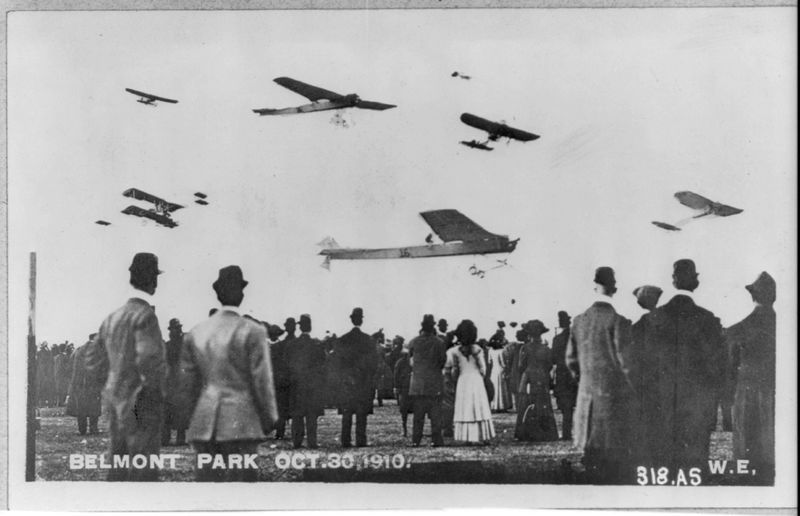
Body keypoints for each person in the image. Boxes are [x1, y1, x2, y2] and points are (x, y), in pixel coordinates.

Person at [178, 265, 278, 481]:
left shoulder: (196, 332)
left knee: (207, 493)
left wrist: (189, 418)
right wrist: (270, 417)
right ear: (241, 293)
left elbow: (186, 383)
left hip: (204, 423)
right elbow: (262, 380)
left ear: (217, 293)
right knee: (241, 494)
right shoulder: (253, 331)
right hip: (242, 423)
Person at [85, 252, 167, 481]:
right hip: (141, 405)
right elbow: (149, 360)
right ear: (151, 279)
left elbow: (92, 359)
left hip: (114, 403)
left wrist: (111, 386)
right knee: (143, 469)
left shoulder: (113, 317)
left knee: (118, 465)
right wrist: (152, 394)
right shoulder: (145, 315)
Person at [640, 259, 725, 472]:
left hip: (660, 408)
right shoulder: (709, 320)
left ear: (673, 281)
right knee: (695, 469)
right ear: (695, 281)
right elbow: (718, 367)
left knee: (662, 469)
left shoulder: (652, 319)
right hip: (697, 410)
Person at [566, 266, 636, 483]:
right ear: (615, 289)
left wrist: (584, 381)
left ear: (594, 286)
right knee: (611, 451)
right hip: (612, 398)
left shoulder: (578, 321)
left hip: (586, 395)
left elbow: (571, 360)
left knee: (591, 449)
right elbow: (627, 364)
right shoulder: (618, 321)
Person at [728, 271, 776, 483]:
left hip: (747, 395)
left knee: (746, 448)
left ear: (753, 296)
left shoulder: (739, 329)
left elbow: (729, 369)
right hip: (775, 394)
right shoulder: (784, 325)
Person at [332, 307, 378, 448]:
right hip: (363, 382)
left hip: (347, 381)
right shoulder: (368, 340)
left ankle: (345, 440)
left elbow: (337, 363)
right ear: (361, 320)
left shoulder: (342, 340)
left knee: (347, 413)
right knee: (361, 413)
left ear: (351, 319)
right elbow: (373, 363)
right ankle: (360, 440)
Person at [447, 320, 495, 445]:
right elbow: (483, 369)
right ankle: (483, 437)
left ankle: (467, 437)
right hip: (476, 380)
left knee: (465, 407)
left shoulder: (454, 351)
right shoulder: (478, 349)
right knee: (479, 407)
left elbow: (453, 371)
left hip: (463, 381)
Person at [285, 314, 326, 449]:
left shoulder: (292, 345)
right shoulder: (316, 344)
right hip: (312, 385)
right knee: (311, 414)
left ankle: (297, 442)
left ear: (299, 327)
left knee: (297, 414)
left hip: (297, 384)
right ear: (310, 326)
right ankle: (312, 442)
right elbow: (322, 366)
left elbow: (287, 365)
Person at [515, 320, 558, 441]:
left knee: (526, 403)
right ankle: (545, 432)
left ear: (529, 334)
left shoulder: (525, 348)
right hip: (542, 377)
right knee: (543, 403)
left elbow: (520, 365)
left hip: (528, 377)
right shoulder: (546, 349)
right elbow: (549, 364)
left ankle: (525, 432)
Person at [407, 314, 447, 447]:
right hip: (434, 382)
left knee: (418, 415)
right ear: (433, 327)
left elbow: (410, 361)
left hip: (418, 383)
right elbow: (442, 362)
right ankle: (436, 440)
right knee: (436, 414)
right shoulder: (439, 342)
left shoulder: (413, 342)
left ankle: (415, 440)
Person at [66, 334, 102, 435]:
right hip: (93, 384)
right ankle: (93, 429)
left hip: (79, 384)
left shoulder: (78, 350)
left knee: (81, 407)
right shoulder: (96, 350)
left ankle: (82, 429)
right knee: (94, 406)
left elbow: (70, 368)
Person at [551, 311, 577, 440]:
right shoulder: (576, 337)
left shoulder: (557, 339)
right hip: (576, 373)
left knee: (566, 406)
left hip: (562, 374)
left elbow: (553, 359)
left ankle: (566, 433)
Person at [162, 318, 187, 446]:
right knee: (173, 409)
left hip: (176, 380)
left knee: (178, 410)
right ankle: (169, 438)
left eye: (177, 329)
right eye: (174, 329)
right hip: (174, 380)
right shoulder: (173, 345)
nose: (176, 331)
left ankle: (175, 438)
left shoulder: (173, 344)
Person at [270, 319, 294, 440]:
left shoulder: (279, 346)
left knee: (281, 407)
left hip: (280, 380)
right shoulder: (283, 344)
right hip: (287, 379)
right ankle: (283, 430)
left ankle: (280, 431)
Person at [487, 336, 512, 412]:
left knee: (494, 387)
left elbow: (489, 361)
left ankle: (494, 406)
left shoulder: (490, 351)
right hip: (500, 370)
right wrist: (506, 369)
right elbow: (503, 363)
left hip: (494, 371)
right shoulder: (501, 351)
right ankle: (502, 406)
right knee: (502, 388)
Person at [393, 345, 413, 437]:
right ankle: (405, 429)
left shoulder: (401, 362)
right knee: (404, 410)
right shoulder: (401, 363)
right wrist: (397, 387)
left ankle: (408, 429)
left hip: (409, 387)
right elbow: (396, 376)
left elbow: (396, 375)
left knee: (407, 410)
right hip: (405, 387)